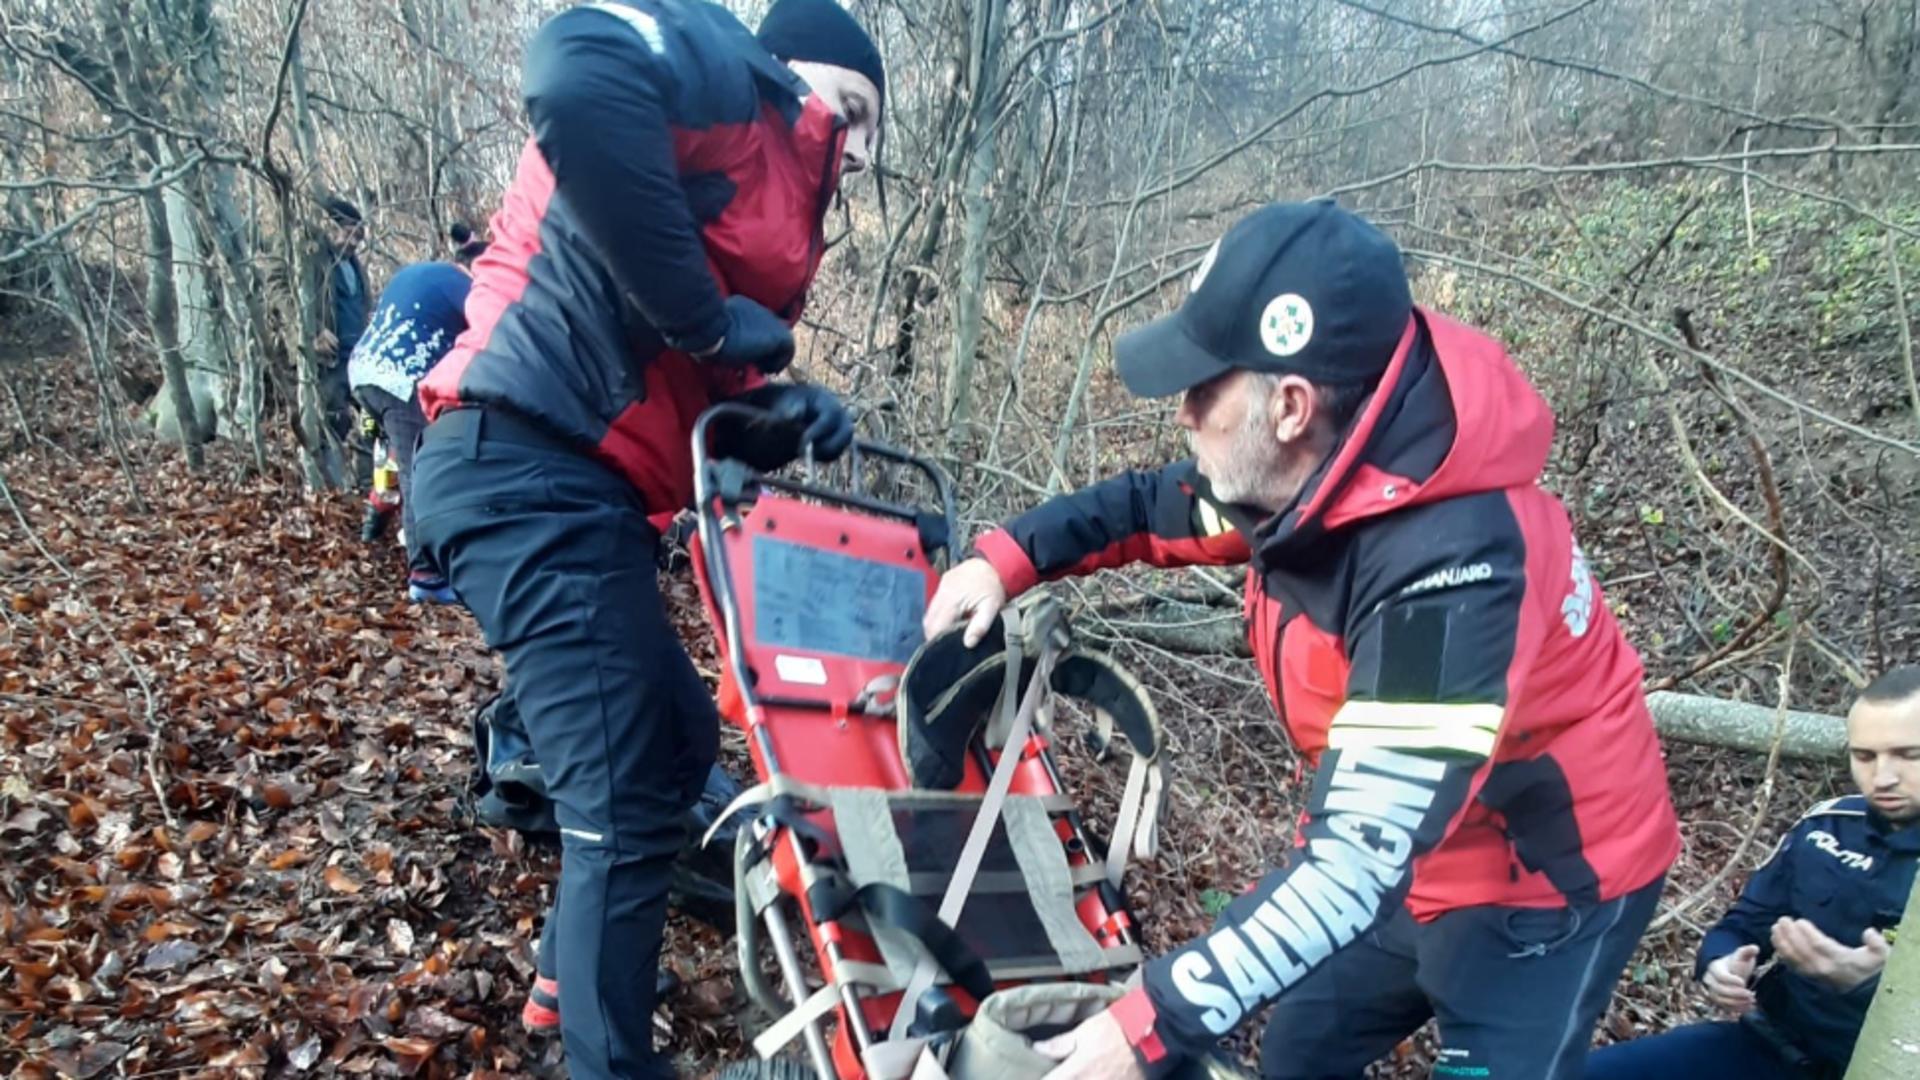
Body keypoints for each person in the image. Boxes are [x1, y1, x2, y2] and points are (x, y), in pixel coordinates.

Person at [921, 200, 1682, 1080]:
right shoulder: (1302, 471)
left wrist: (1146, 1023)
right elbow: (1141, 508)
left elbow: (1358, 858)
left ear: (1289, 405)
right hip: (1406, 854)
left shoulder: (1451, 570)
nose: (1185, 414)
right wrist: (1005, 560)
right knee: (1298, 1053)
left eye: (1204, 390)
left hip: (1544, 890)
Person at [408, 0, 882, 1074]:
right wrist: (711, 324)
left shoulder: (714, 206)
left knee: (671, 746)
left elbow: (693, 397)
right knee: (619, 800)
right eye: (847, 109)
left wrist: (782, 414)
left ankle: (563, 991)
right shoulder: (730, 81)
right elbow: (575, 71)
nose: (851, 149)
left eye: (866, 132)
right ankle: (602, 1059)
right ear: (797, 74)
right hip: (525, 468)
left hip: (585, 493)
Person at [1587, 666, 1920, 1080]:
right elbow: (1743, 925)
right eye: (1865, 756)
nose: (1883, 778)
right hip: (1766, 1047)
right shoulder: (1827, 827)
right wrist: (1721, 965)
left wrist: (1873, 990)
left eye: (1910, 755)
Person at [346, 223, 488, 602]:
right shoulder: (470, 290)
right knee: (420, 469)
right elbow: (490, 342)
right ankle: (425, 574)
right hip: (400, 378)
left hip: (361, 374)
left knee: (393, 455)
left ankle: (378, 514)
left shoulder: (421, 273)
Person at [317, 197, 370, 449]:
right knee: (331, 421)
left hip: (358, 357)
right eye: (349, 234)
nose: (353, 243)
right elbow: (279, 290)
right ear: (331, 227)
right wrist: (312, 331)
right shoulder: (313, 259)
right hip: (329, 357)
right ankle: (328, 482)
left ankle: (366, 475)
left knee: (371, 419)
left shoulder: (356, 267)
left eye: (358, 239)